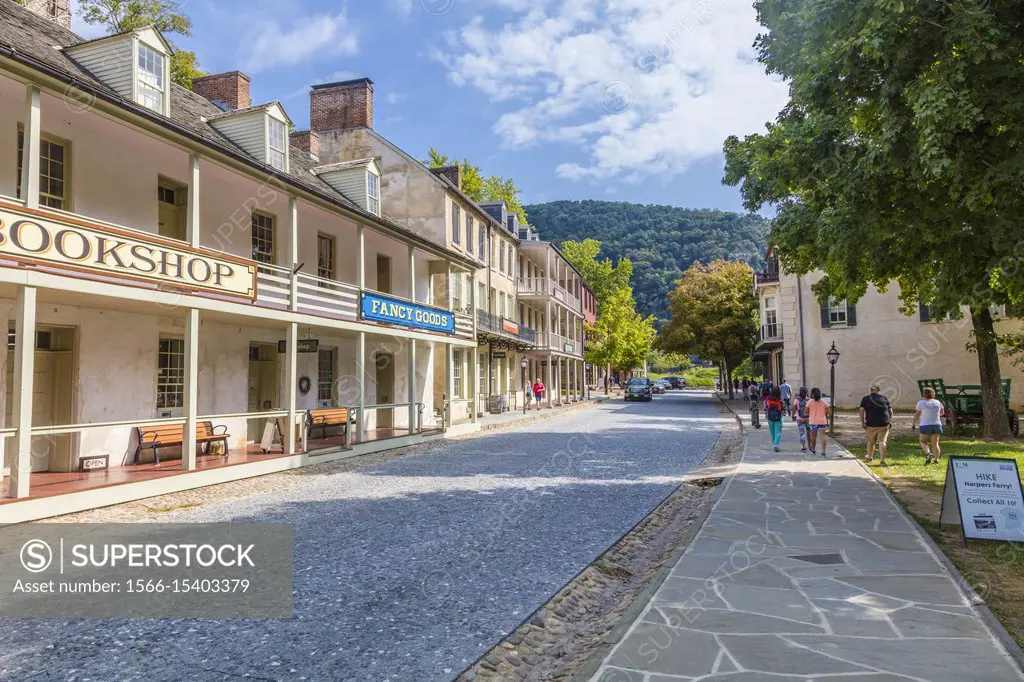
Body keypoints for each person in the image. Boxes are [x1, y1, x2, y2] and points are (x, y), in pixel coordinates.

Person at [859, 384, 893, 465]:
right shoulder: (884, 398)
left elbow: (861, 411)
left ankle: (869, 457)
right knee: (882, 441)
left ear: (871, 390)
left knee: (871, 441)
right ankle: (882, 460)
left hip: (871, 424)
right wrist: (889, 420)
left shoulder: (865, 399)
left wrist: (863, 422)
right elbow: (891, 411)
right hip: (884, 424)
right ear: (878, 390)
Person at [913, 387, 945, 464]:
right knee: (935, 444)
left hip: (925, 425)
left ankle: (928, 453)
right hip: (936, 424)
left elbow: (917, 415)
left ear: (923, 394)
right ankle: (936, 461)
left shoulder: (921, 403)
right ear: (933, 393)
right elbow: (942, 413)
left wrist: (913, 423)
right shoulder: (938, 402)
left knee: (922, 441)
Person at [805, 387, 831, 457]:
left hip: (813, 421)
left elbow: (805, 413)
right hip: (822, 421)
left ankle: (813, 449)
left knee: (813, 436)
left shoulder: (809, 402)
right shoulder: (824, 402)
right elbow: (829, 412)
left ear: (812, 394)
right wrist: (823, 411)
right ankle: (823, 451)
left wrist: (812, 413)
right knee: (823, 436)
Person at [765, 387, 785, 452]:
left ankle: (774, 442)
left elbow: (765, 407)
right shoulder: (780, 400)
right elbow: (783, 408)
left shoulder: (768, 399)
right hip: (778, 417)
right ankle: (776, 444)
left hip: (770, 416)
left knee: (772, 430)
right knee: (778, 431)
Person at [792, 387, 810, 453]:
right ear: (807, 392)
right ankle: (810, 446)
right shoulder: (809, 400)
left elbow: (794, 408)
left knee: (801, 433)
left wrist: (793, 415)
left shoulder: (797, 400)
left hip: (800, 418)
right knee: (809, 432)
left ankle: (804, 447)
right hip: (808, 418)